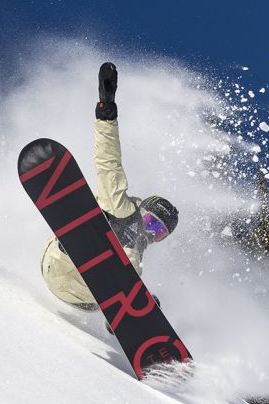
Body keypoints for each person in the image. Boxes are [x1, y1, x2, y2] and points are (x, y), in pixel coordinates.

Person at [40, 62, 179, 312]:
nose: (151, 232)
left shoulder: (136, 248)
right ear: (143, 209)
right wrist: (106, 113)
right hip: (60, 263)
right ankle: (74, 245)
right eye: (152, 222)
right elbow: (108, 163)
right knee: (118, 222)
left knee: (132, 260)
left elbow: (131, 262)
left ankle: (123, 304)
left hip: (83, 298)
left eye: (158, 232)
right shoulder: (123, 209)